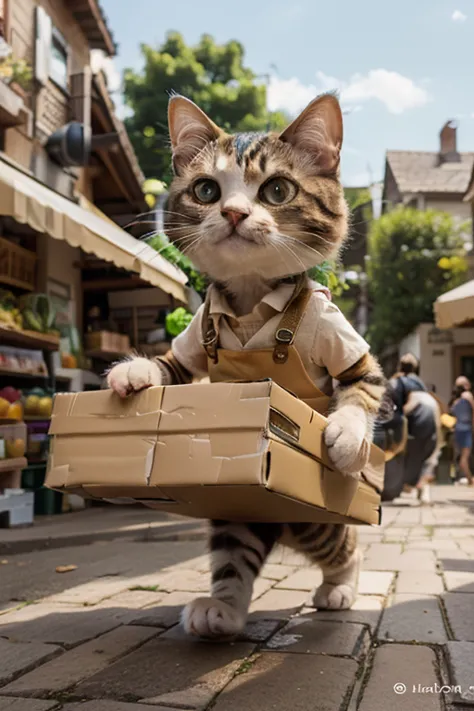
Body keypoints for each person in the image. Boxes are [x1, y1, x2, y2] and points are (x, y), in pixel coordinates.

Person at [380, 353, 442, 503]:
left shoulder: (398, 381)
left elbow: (396, 411)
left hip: (417, 411)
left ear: (400, 366)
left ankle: (401, 485)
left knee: (405, 449)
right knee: (426, 452)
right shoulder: (420, 382)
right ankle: (421, 486)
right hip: (432, 409)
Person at [450, 377, 473, 485]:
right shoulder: (468, 396)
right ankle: (469, 478)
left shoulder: (455, 401)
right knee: (465, 456)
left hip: (457, 429)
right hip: (467, 428)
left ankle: (460, 477)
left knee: (458, 455)